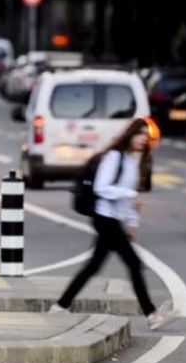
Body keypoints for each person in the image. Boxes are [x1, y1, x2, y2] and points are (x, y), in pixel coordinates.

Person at [50, 118, 179, 331]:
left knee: (94, 266)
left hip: (114, 219)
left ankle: (60, 306)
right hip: (104, 217)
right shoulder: (114, 157)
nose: (143, 140)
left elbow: (128, 201)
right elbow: (102, 188)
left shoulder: (131, 161)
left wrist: (132, 223)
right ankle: (151, 314)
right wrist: (130, 194)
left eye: (146, 137)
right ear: (130, 135)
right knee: (133, 264)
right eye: (139, 135)